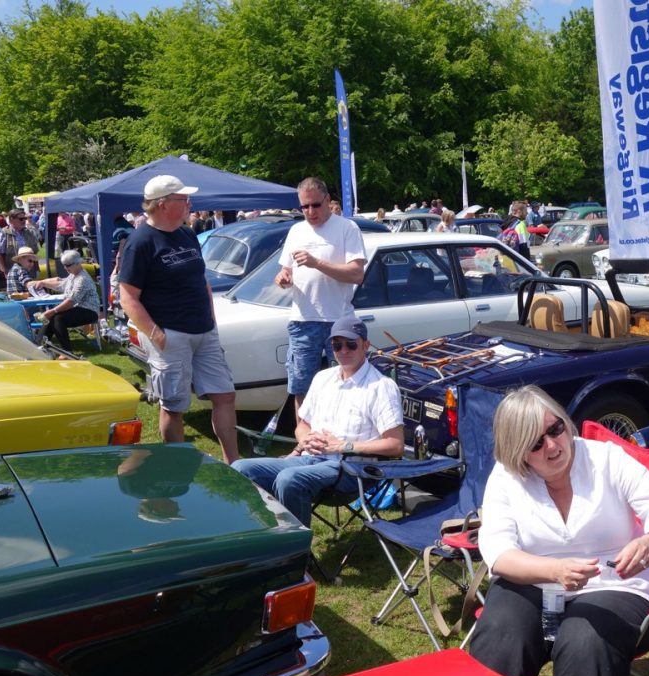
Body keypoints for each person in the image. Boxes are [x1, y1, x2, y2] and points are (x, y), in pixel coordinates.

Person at [469, 385, 649, 676]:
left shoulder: (606, 459)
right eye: (535, 443)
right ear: (518, 453)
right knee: (502, 632)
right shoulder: (507, 476)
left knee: (583, 637)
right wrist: (552, 570)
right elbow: (498, 552)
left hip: (616, 581)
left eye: (555, 429)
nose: (553, 446)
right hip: (536, 579)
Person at [231, 316, 403, 525]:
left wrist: (344, 445)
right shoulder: (323, 378)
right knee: (240, 468)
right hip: (309, 458)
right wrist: (305, 439)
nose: (344, 351)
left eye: (351, 344)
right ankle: (266, 533)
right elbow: (303, 424)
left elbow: (395, 445)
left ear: (365, 345)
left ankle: (295, 552)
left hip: (350, 467)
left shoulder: (381, 386)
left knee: (289, 480)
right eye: (337, 345)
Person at [118, 174, 239, 464]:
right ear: (162, 205)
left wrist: (211, 319)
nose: (189, 204)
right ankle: (177, 468)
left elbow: (202, 280)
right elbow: (128, 297)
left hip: (204, 330)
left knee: (225, 396)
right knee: (174, 405)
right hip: (171, 333)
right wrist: (157, 335)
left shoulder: (185, 234)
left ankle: (235, 465)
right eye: (183, 199)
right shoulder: (140, 242)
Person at [275, 177, 365, 417]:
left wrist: (317, 263)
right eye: (304, 207)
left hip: (339, 321)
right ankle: (304, 444)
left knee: (346, 384)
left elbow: (357, 274)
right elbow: (285, 270)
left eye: (315, 205)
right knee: (301, 387)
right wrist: (283, 278)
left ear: (327, 200)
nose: (310, 211)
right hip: (303, 320)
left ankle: (343, 439)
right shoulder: (296, 230)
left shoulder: (347, 228)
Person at [31, 250, 99, 351]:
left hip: (89, 311)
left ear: (78, 263)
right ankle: (40, 344)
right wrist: (43, 283)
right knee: (53, 317)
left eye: (68, 265)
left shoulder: (82, 279)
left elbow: (71, 301)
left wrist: (53, 311)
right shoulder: (73, 275)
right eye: (64, 265)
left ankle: (66, 351)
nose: (65, 268)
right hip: (78, 308)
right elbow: (61, 285)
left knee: (58, 318)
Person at [0, 209, 39, 275]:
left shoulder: (28, 232)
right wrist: (4, 271)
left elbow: (34, 252)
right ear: (11, 220)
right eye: (21, 219)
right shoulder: (3, 233)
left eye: (25, 218)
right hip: (12, 271)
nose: (24, 221)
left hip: (30, 270)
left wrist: (36, 268)